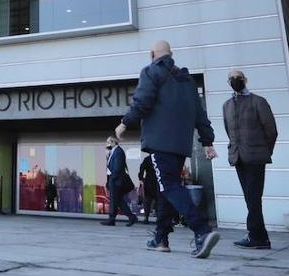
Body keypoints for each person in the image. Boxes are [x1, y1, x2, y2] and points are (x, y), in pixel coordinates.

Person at [116, 40, 221, 258]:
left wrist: (125, 122)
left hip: (160, 142)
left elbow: (142, 101)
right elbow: (200, 114)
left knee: (170, 186)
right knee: (167, 189)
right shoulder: (187, 81)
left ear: (151, 53)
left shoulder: (151, 71)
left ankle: (201, 230)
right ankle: (161, 238)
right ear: (171, 55)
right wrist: (207, 141)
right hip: (181, 146)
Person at [223, 69, 278, 249]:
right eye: (231, 78)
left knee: (254, 197)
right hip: (238, 157)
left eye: (238, 78)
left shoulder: (258, 102)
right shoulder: (227, 106)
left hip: (256, 157)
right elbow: (228, 130)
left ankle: (256, 235)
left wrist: (263, 150)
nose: (235, 80)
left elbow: (271, 131)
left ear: (245, 80)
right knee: (250, 197)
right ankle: (260, 237)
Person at [100, 136, 138, 227]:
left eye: (108, 142)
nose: (107, 144)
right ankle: (131, 217)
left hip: (116, 181)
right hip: (114, 180)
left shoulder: (118, 152)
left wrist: (112, 180)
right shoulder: (113, 152)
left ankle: (112, 219)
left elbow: (117, 168)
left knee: (114, 201)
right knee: (119, 201)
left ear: (113, 142)